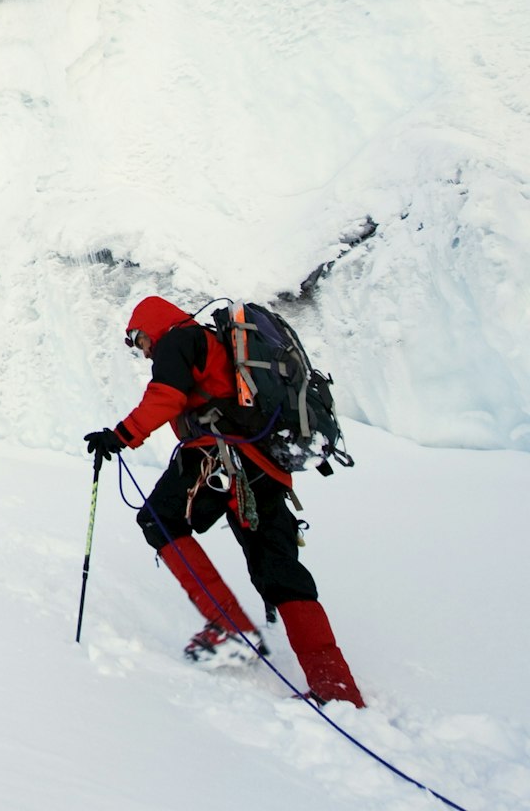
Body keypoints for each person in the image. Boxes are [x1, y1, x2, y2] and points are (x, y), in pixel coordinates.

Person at [85, 295, 365, 707]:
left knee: (159, 520)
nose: (141, 350)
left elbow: (166, 396)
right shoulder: (207, 342)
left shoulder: (177, 341)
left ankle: (229, 626)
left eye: (138, 340)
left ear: (150, 327)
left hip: (219, 457)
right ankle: (335, 687)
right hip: (263, 467)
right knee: (278, 568)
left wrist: (120, 435)